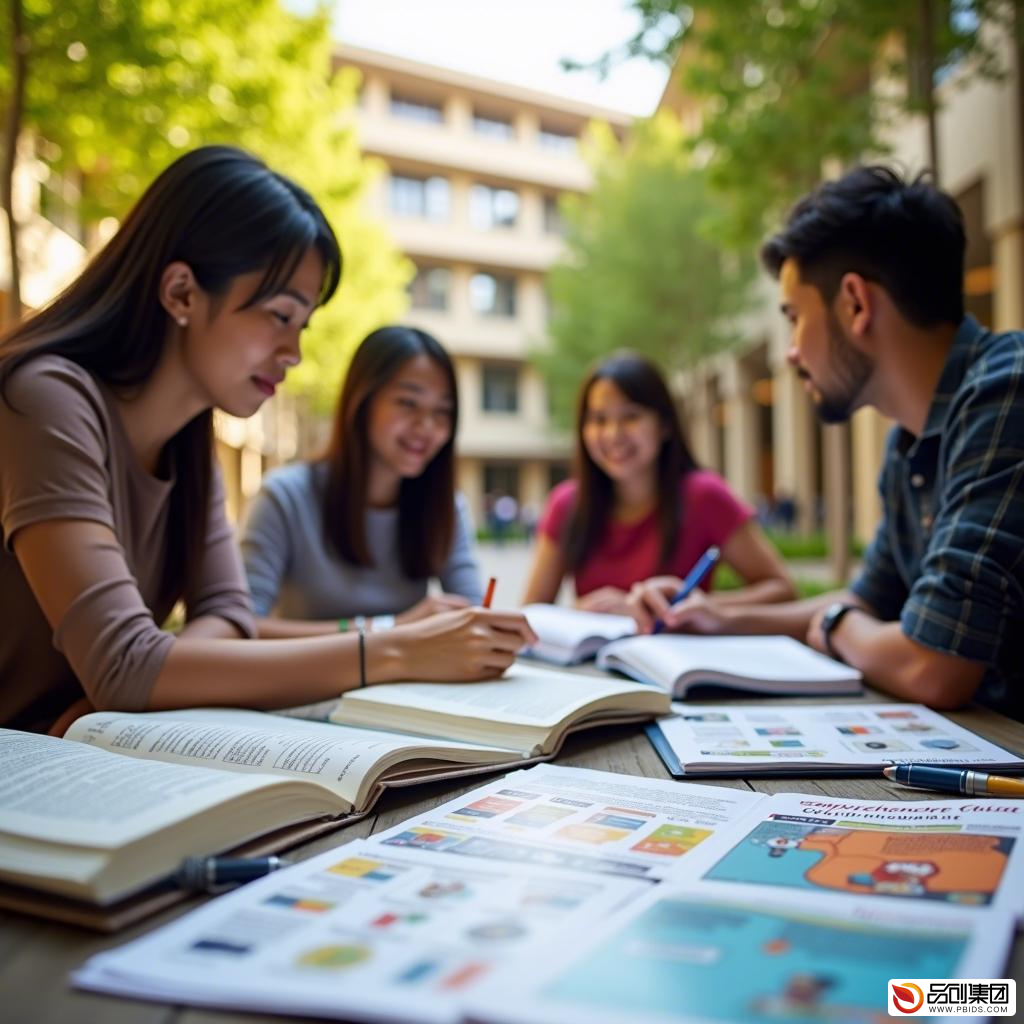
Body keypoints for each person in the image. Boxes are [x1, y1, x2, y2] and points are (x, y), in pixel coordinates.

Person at [0, 145, 534, 735]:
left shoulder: (187, 438)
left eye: (302, 326)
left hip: (90, 749)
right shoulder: (43, 399)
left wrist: (141, 685)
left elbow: (227, 615)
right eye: (280, 316)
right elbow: (128, 664)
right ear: (181, 293)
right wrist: (394, 648)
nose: (295, 354)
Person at [637, 166, 1024, 716]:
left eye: (795, 318)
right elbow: (868, 601)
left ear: (856, 304)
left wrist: (834, 625)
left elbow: (931, 665)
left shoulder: (1006, 393)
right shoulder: (910, 445)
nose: (792, 352)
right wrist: (716, 616)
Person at [241, 325, 483, 637]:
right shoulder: (285, 497)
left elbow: (472, 611)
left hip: (404, 686)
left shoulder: (445, 506)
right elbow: (243, 627)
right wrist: (391, 629)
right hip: (308, 685)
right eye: (408, 403)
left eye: (443, 411)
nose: (427, 426)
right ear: (362, 401)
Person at [522, 351, 795, 620]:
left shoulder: (704, 496)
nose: (613, 434)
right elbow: (530, 614)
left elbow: (783, 590)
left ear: (664, 424)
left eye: (630, 416)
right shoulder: (566, 503)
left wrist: (695, 606)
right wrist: (577, 613)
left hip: (680, 659)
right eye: (598, 419)